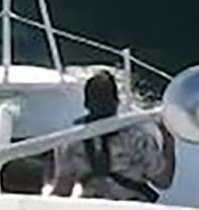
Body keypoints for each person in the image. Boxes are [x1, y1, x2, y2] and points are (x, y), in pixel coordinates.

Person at [53, 71, 175, 202]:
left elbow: (63, 189)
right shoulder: (138, 137)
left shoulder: (71, 140)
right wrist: (169, 140)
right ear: (116, 102)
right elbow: (163, 181)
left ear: (86, 103)